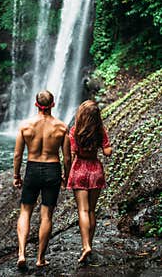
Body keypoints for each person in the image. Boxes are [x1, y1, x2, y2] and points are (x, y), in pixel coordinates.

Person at [12, 90, 71, 268]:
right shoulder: (61, 127)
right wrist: (65, 177)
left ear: (36, 104)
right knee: (46, 216)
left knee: (25, 212)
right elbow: (67, 158)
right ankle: (40, 259)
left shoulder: (25, 126)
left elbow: (17, 154)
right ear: (53, 104)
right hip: (52, 169)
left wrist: (16, 175)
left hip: (32, 168)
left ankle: (22, 254)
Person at [67, 100, 112, 263]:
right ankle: (89, 244)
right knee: (91, 210)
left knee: (83, 211)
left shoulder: (74, 131)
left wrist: (66, 174)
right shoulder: (100, 131)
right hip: (95, 171)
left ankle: (85, 245)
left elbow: (71, 154)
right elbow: (107, 152)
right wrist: (106, 147)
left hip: (79, 169)